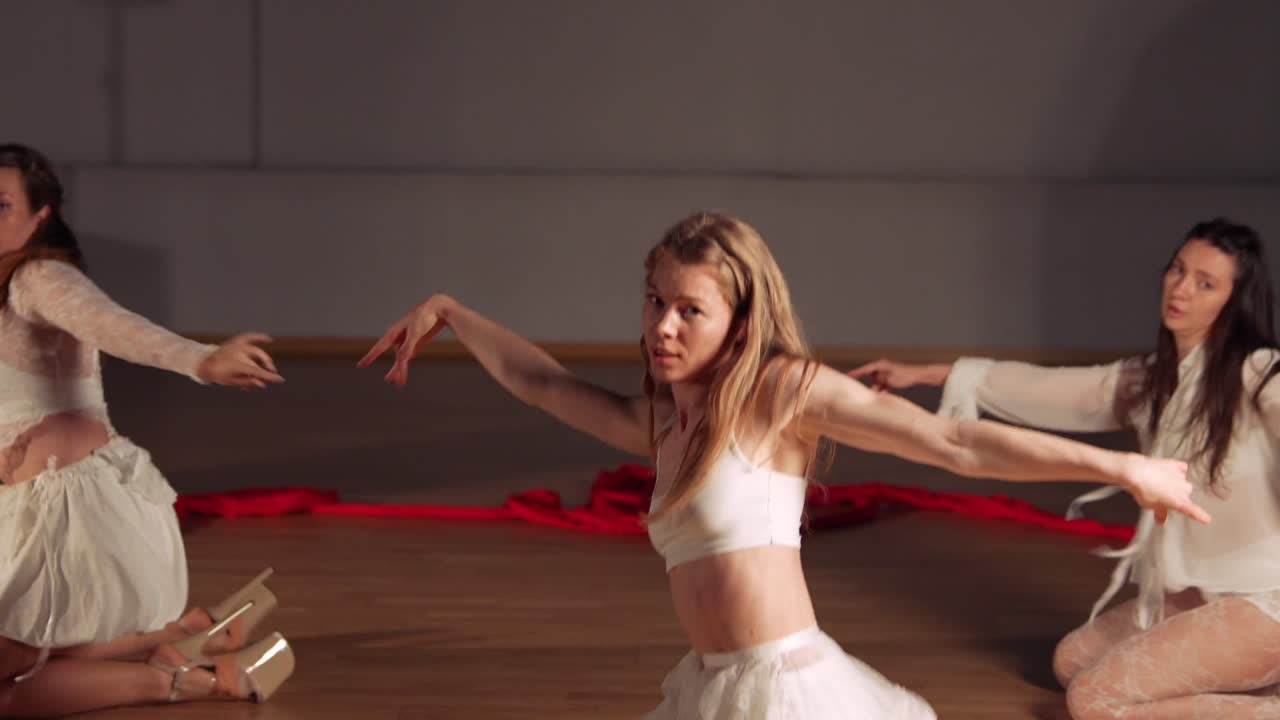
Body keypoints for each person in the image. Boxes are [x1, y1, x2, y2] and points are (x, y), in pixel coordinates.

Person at [360, 210, 1208, 718]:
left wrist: (1128, 472)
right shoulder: (662, 422)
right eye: (655, 301)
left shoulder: (778, 391)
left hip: (785, 694)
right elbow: (541, 382)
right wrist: (453, 312)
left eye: (690, 310)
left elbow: (954, 442)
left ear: (739, 320)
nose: (662, 326)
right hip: (711, 687)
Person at [851, 217, 1280, 718]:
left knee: (1095, 699)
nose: (1181, 289)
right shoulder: (1152, 380)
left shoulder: (1259, 371)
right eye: (1177, 270)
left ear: (1234, 301)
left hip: (1266, 600)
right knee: (1070, 661)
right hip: (1202, 593)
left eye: (1205, 283)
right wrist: (918, 373)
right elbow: (1038, 388)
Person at [0, 143, 294, 716]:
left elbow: (111, 324)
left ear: (41, 217)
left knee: (12, 674)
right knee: (16, 679)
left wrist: (200, 360)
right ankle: (190, 638)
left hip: (75, 523)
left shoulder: (41, 277)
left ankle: (199, 677)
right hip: (25, 518)